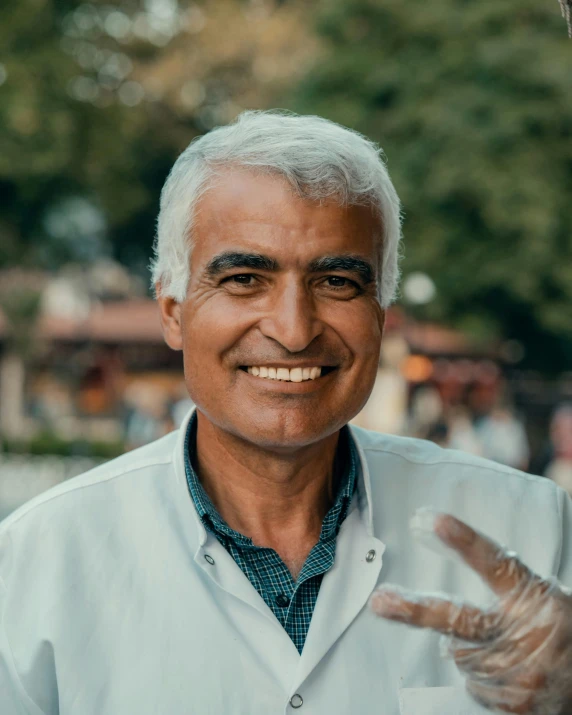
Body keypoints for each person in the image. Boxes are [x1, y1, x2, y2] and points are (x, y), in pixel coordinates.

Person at [1, 110, 572, 715]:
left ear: (380, 317)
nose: (294, 330)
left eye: (337, 283)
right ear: (172, 311)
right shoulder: (38, 559)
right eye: (245, 278)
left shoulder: (530, 533)